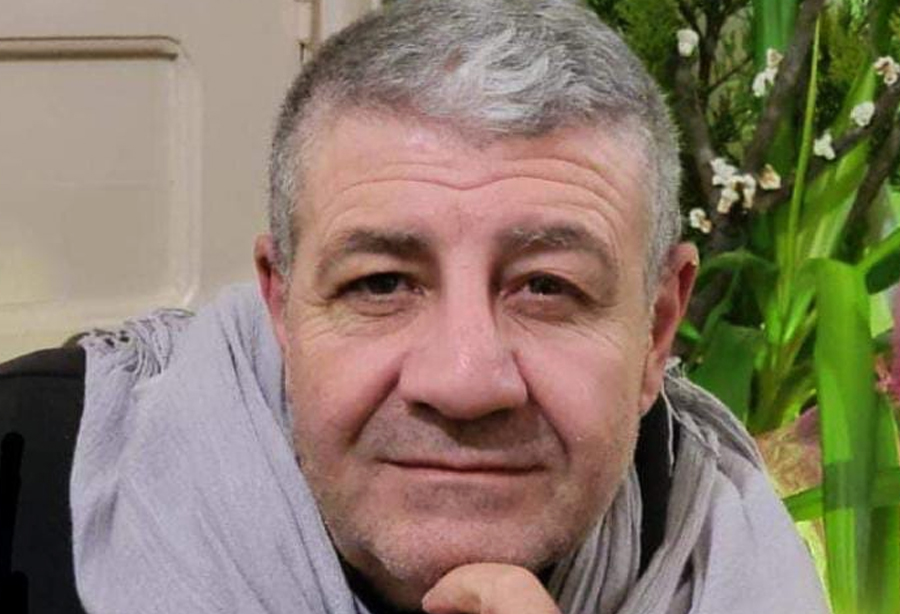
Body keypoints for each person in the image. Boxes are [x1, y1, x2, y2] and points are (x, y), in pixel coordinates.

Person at [54, 1, 828, 613]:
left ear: (656, 332)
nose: (464, 382)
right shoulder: (23, 475)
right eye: (381, 284)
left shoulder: (738, 567)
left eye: (547, 287)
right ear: (281, 306)